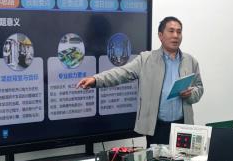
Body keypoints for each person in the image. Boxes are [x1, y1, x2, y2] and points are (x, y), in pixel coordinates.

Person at [76, 16, 203, 146]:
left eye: (179, 32)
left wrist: (191, 94)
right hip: (157, 128)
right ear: (160, 35)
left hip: (183, 127)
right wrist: (95, 79)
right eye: (171, 31)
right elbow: (121, 73)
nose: (175, 35)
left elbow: (199, 87)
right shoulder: (146, 59)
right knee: (157, 159)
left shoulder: (190, 61)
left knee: (183, 159)